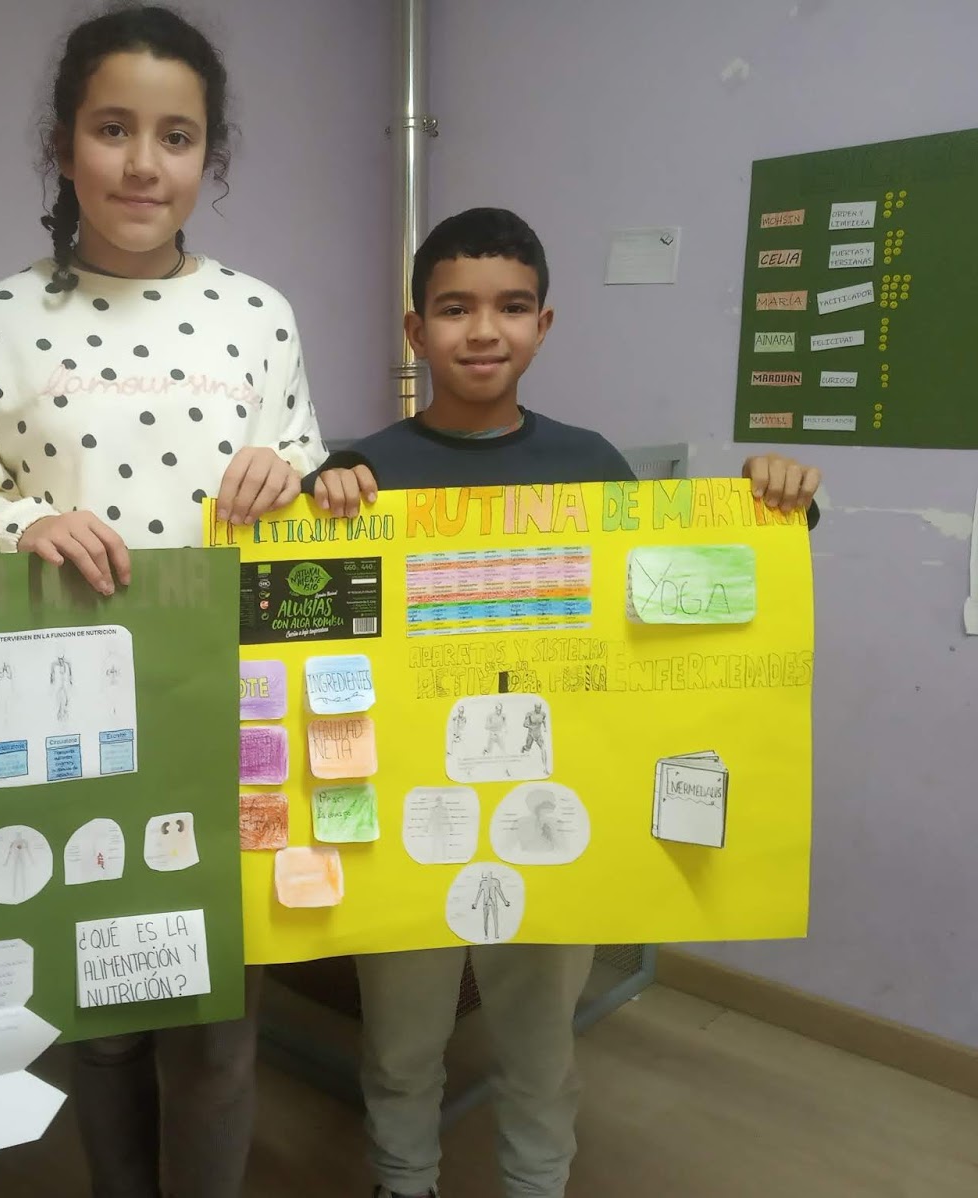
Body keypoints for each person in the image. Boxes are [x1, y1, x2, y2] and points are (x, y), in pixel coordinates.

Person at [310, 207, 822, 1198]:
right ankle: (401, 1179)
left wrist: (772, 504)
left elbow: (665, 605)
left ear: (543, 325)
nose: (483, 330)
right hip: (408, 813)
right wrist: (311, 499)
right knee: (401, 1040)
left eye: (510, 307)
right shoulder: (358, 474)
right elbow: (299, 623)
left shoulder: (590, 466)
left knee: (540, 1042)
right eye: (453, 309)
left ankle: (537, 1182)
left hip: (554, 807)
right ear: (415, 330)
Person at [0, 8, 329, 1194]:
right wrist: (24, 524)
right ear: (63, 145)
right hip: (66, 721)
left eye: (176, 136)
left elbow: (313, 500)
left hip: (228, 718)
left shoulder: (259, 315)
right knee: (99, 1020)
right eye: (113, 129)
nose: (143, 164)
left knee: (214, 1026)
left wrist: (289, 485)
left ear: (208, 155)